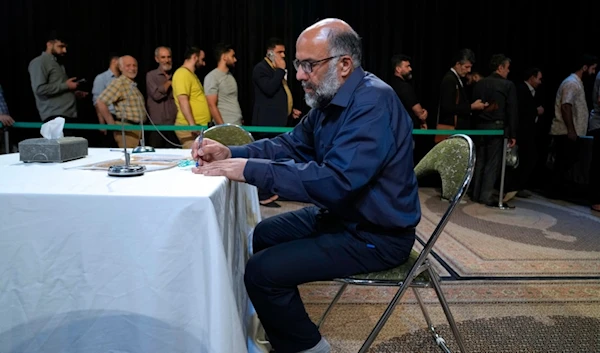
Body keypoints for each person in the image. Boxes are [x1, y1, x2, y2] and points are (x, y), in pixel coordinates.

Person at [192, 18, 420, 353]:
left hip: (377, 233)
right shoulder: (333, 99)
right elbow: (290, 145)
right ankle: (277, 323)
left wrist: (250, 169)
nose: (298, 75)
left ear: (344, 65)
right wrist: (232, 153)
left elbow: (337, 181)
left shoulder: (373, 103)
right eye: (299, 64)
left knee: (261, 272)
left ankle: (309, 348)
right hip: (344, 217)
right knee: (258, 236)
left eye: (308, 65)